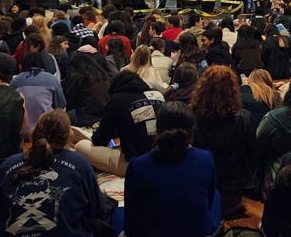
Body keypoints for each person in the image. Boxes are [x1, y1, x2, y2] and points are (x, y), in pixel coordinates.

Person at [0, 110, 105, 236]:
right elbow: (98, 210)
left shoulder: (8, 164)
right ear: (69, 136)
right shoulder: (79, 163)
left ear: (34, 133)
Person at [124, 102, 222, 237]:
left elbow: (131, 222)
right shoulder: (206, 158)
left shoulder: (138, 165)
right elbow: (209, 198)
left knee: (118, 214)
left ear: (157, 129)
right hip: (198, 232)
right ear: (192, 130)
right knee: (215, 194)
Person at [75, 69, 165, 177]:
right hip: (163, 158)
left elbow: (100, 140)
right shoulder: (157, 94)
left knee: (80, 146)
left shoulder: (118, 99)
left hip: (135, 164)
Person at [191, 66, 254, 217]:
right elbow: (251, 154)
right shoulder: (243, 118)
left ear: (203, 87)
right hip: (231, 188)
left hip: (200, 185)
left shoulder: (191, 115)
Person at [11, 52, 67, 133]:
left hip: (20, 131)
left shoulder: (16, 80)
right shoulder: (51, 79)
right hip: (44, 131)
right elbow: (60, 105)